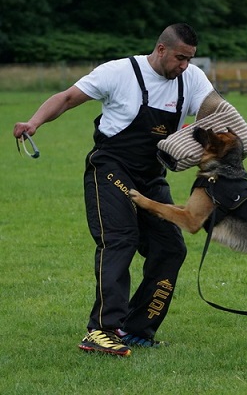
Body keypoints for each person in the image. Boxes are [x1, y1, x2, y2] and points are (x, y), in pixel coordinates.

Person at [13, 23, 214, 357]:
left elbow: (215, 112)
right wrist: (34, 122)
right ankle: (102, 331)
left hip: (151, 177)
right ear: (161, 49)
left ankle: (137, 330)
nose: (185, 66)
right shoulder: (119, 72)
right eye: (180, 58)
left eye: (189, 59)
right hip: (110, 170)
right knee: (120, 239)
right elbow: (67, 98)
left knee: (171, 248)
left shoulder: (191, 79)